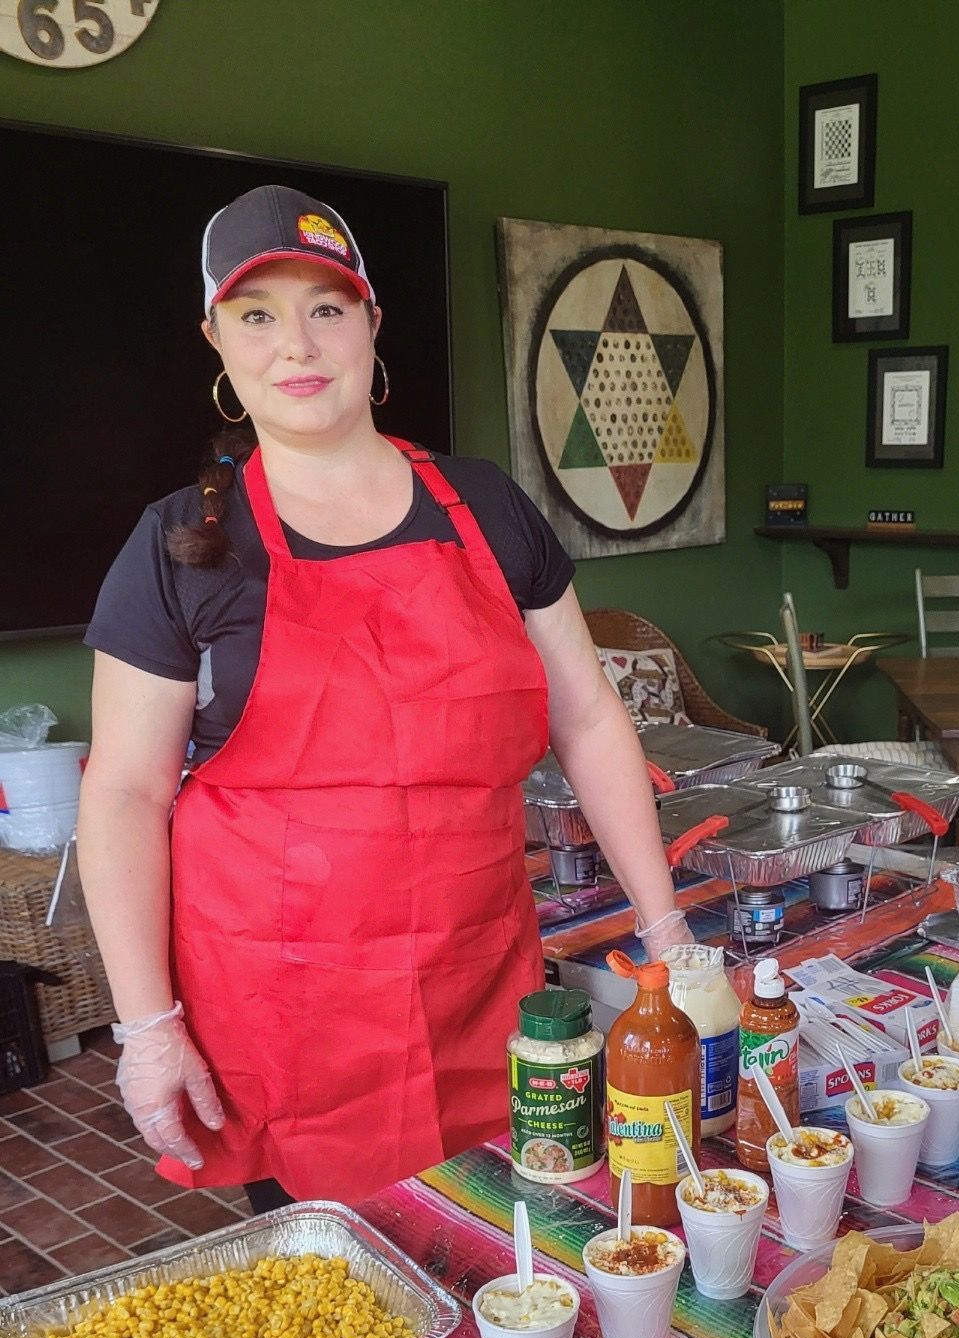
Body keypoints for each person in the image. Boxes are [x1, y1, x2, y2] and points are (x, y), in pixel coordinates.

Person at [78, 184, 691, 1212]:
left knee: (511, 1251)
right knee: (344, 1302)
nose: (297, 344)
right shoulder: (183, 545)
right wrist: (147, 1028)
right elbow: (127, 795)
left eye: (327, 306)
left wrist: (666, 927)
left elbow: (586, 720)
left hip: (477, 984)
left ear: (371, 323)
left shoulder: (487, 506)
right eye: (257, 314)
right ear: (216, 339)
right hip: (280, 1013)